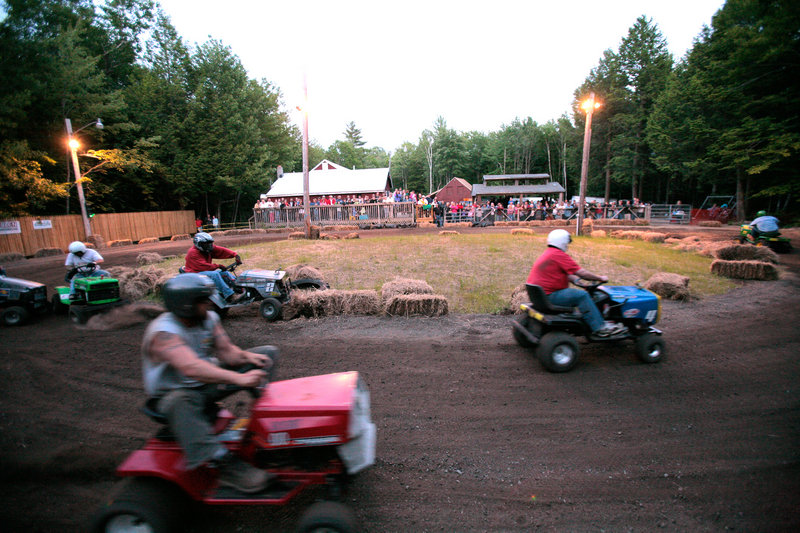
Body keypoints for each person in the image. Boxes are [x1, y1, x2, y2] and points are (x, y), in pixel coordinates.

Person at [142, 274, 277, 493]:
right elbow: (192, 368)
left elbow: (226, 352)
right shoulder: (164, 332)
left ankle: (265, 424)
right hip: (174, 395)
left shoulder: (208, 319)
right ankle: (223, 464)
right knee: (180, 401)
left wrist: (246, 357)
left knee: (266, 354)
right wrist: (239, 378)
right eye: (204, 301)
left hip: (205, 385)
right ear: (186, 305)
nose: (210, 304)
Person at [526, 229, 626, 337]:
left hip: (540, 296)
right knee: (582, 296)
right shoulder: (559, 255)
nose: (568, 246)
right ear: (563, 242)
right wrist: (600, 278)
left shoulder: (549, 253)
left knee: (579, 294)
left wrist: (577, 281)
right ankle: (600, 327)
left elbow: (566, 274)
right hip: (550, 296)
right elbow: (581, 272)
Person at [183, 232, 244, 303]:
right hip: (195, 273)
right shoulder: (193, 252)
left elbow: (221, 250)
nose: (209, 246)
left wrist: (235, 255)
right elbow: (203, 266)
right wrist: (218, 266)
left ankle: (239, 287)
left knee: (224, 272)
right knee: (214, 274)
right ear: (199, 244)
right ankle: (229, 295)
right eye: (206, 244)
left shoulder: (206, 249)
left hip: (202, 271)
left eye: (210, 243)